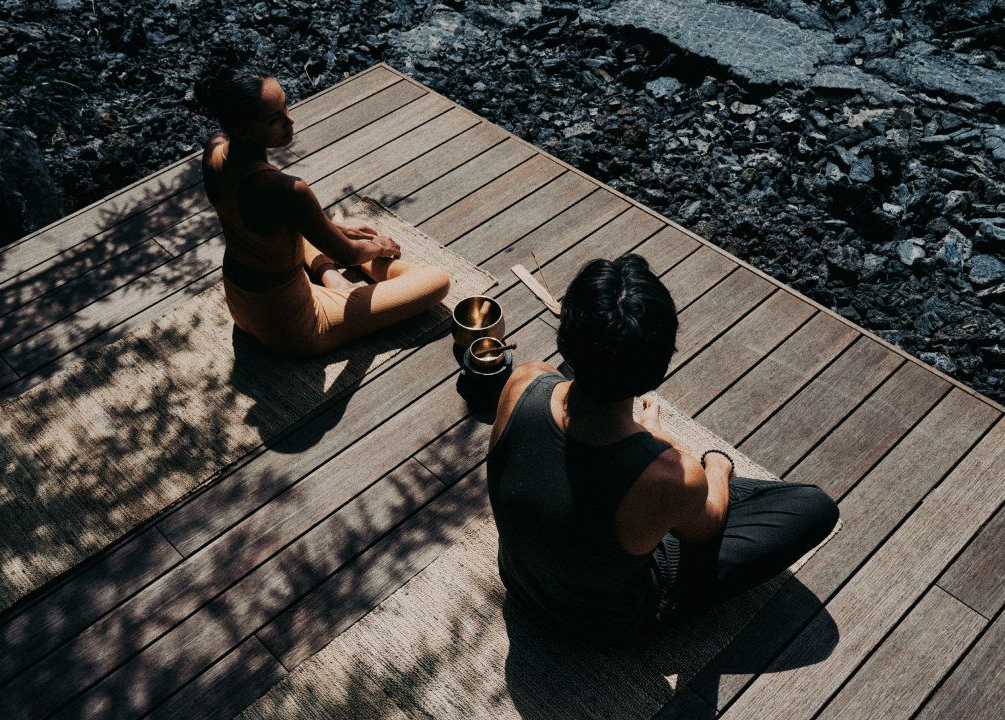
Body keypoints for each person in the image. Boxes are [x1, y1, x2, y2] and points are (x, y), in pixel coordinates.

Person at [486, 253, 839, 636]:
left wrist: (642, 437)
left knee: (581, 380)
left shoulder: (523, 380)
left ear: (565, 336)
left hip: (522, 584)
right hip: (602, 622)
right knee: (814, 506)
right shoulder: (673, 476)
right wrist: (715, 462)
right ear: (657, 369)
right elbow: (706, 529)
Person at [193, 65, 451, 357]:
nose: (290, 120)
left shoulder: (214, 150)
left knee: (306, 229)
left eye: (286, 106)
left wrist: (338, 229)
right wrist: (377, 246)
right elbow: (348, 255)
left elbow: (267, 216)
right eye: (274, 119)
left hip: (242, 306)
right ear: (242, 130)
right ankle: (338, 275)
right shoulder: (286, 189)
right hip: (294, 326)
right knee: (436, 280)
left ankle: (332, 278)